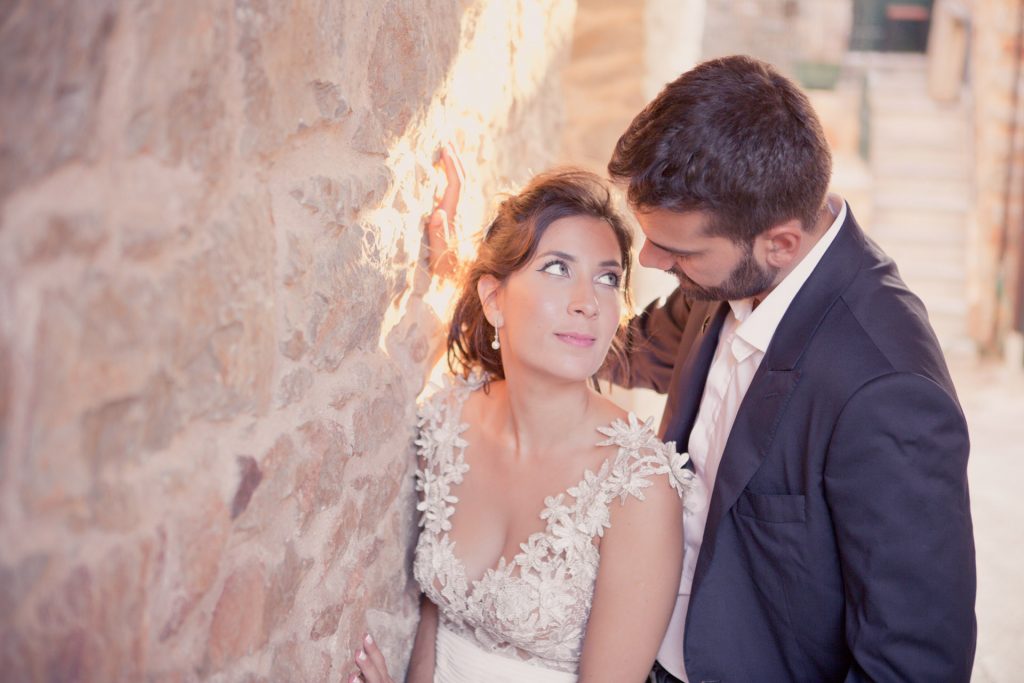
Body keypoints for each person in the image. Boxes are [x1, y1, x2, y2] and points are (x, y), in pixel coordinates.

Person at [604, 55, 977, 682]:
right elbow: (625, 348)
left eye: (679, 249)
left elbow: (915, 665)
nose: (651, 258)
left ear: (780, 241)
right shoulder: (727, 272)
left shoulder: (888, 391)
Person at [350, 155, 692, 683]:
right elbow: (435, 623)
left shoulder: (637, 487)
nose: (587, 303)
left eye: (607, 279)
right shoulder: (449, 420)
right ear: (493, 299)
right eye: (558, 268)